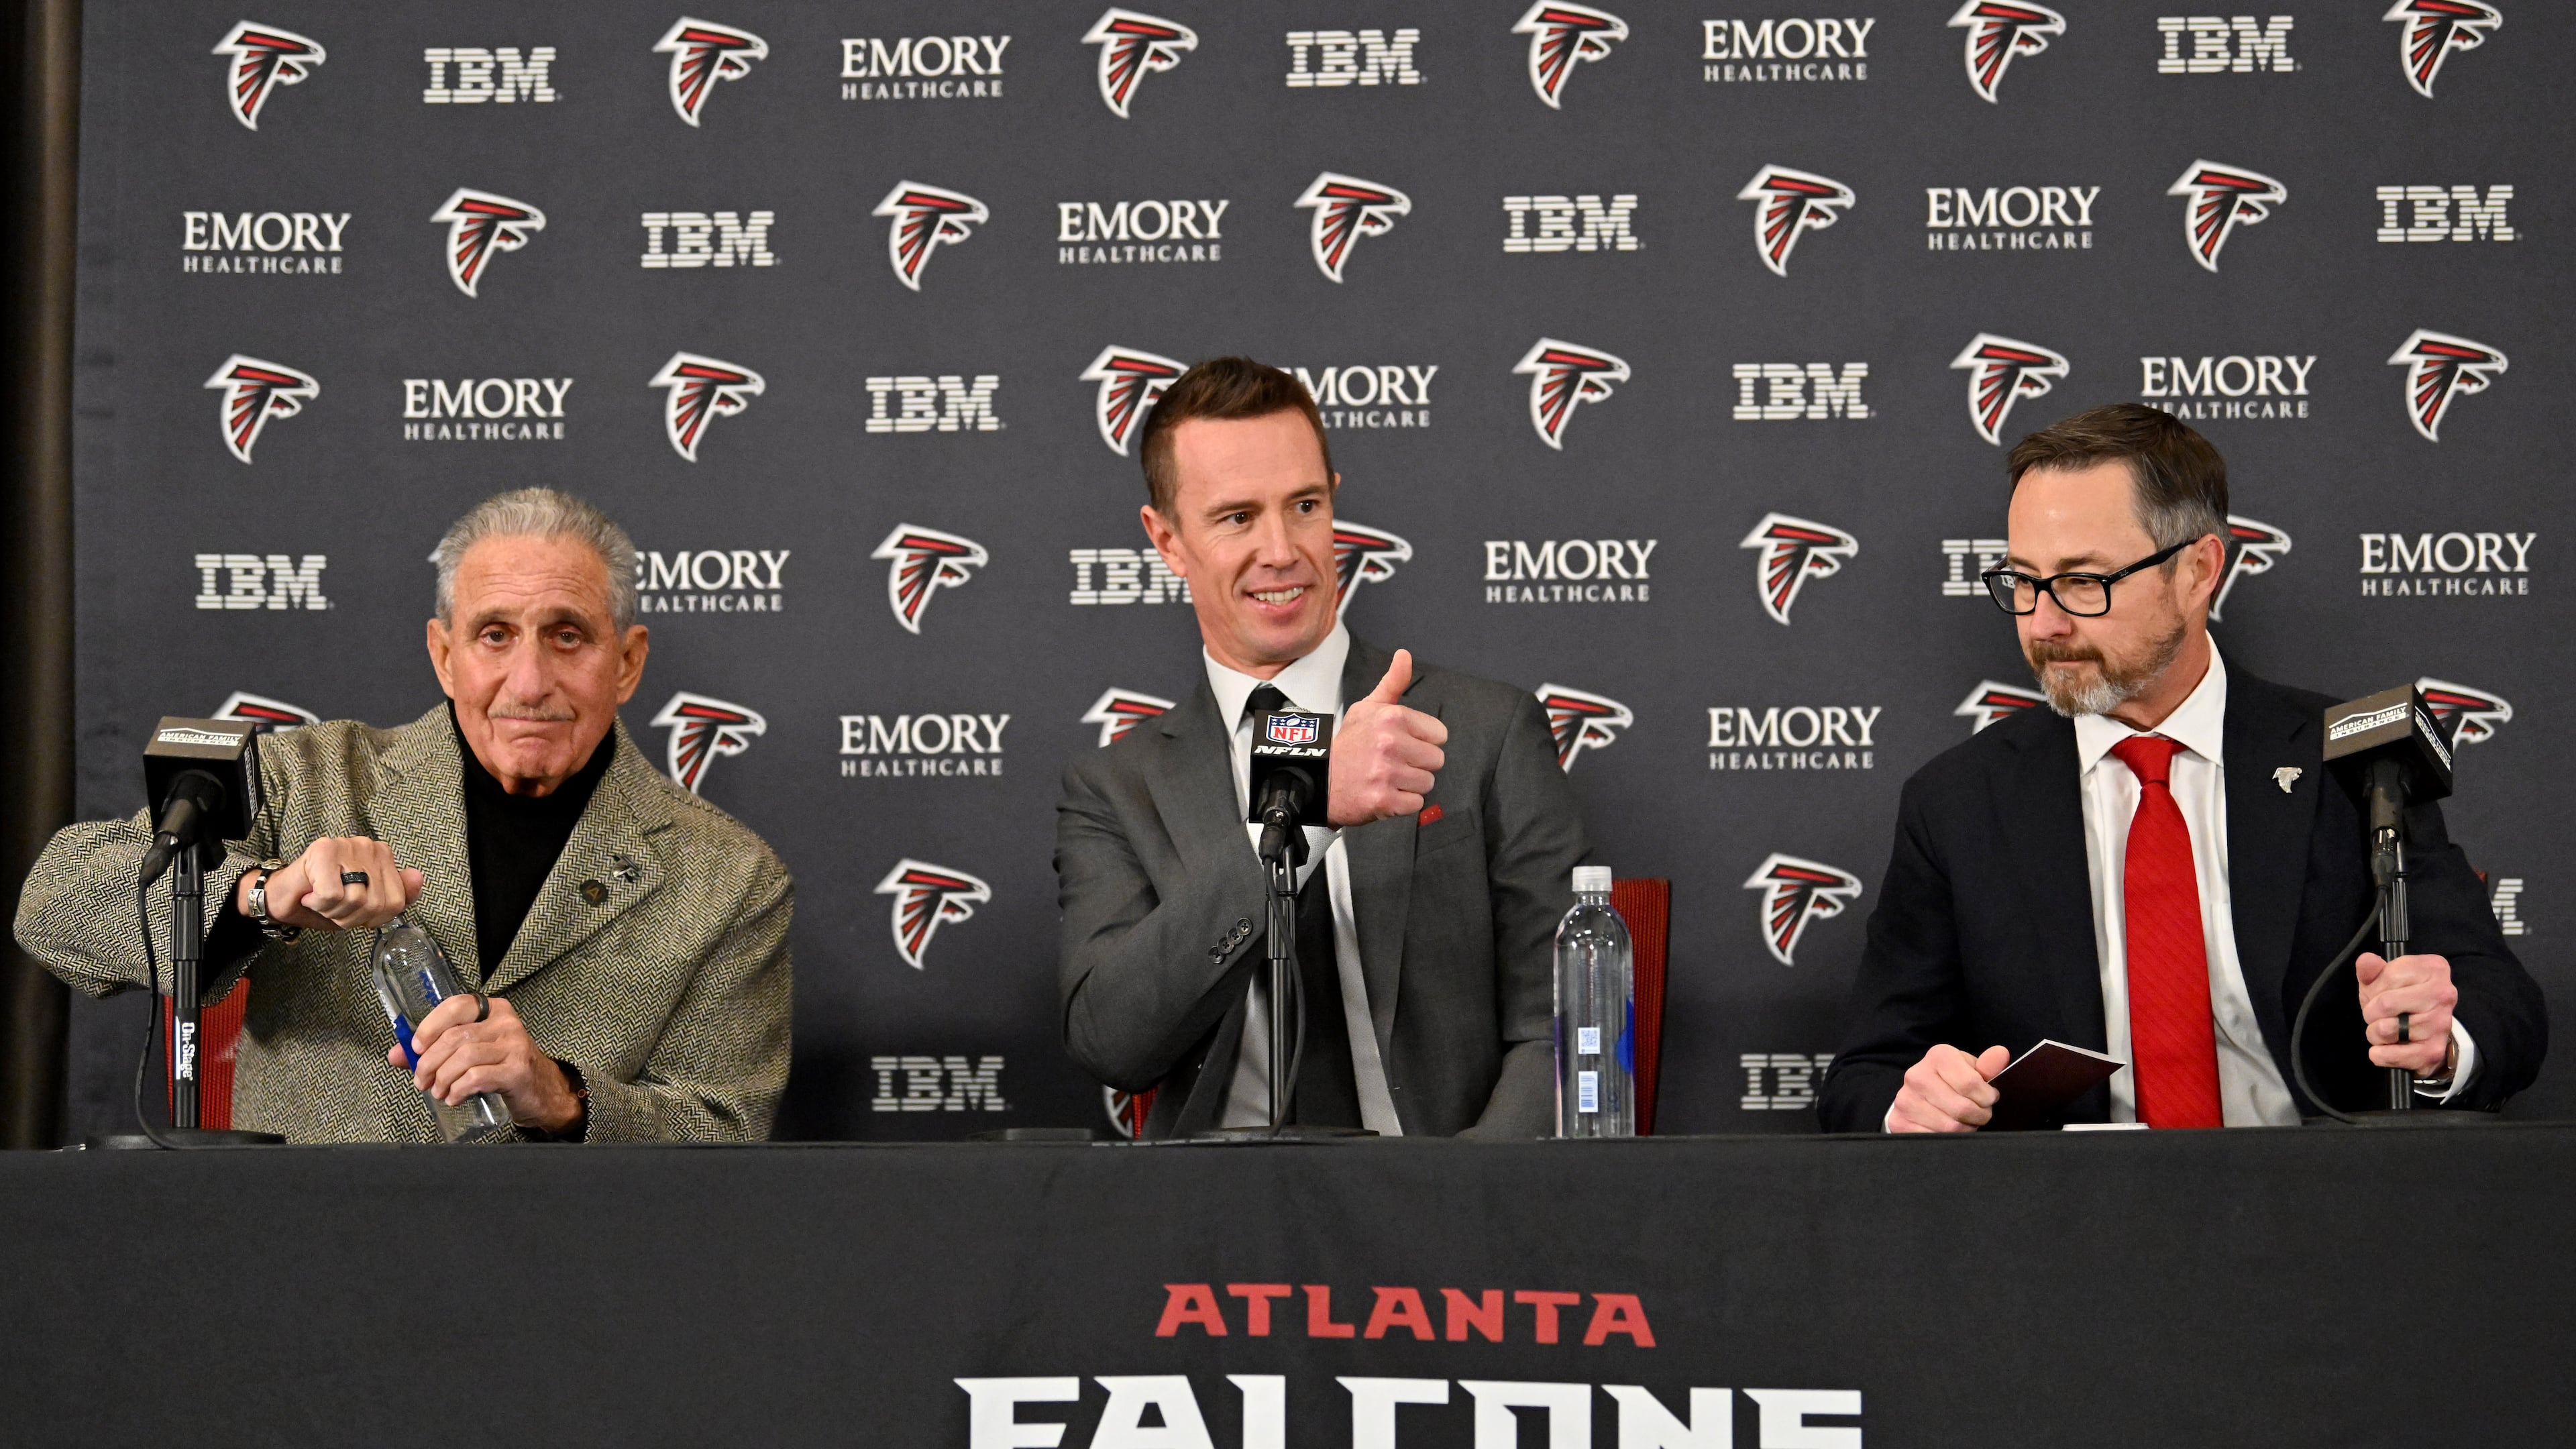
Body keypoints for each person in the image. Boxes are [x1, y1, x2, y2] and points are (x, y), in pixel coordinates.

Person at [1819, 405, 2544, 1132]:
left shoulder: (2349, 758)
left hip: (2325, 1208)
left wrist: (2445, 1042)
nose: (2043, 624)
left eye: (2083, 582)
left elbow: (2501, 1005)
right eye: (2023, 581)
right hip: (2069, 1223)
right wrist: (1909, 1104)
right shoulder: (1958, 804)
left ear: (2198, 571)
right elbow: (1865, 1075)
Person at [15, 488, 792, 1142]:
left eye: (567, 636)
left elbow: (724, 1131)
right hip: (314, 1271)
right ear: (444, 654)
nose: (529, 681)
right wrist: (265, 895)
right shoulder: (306, 778)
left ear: (626, 662)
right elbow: (54, 909)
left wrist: (561, 1099)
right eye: (495, 635)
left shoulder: (729, 877)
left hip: (569, 1287)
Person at [1055, 358, 1592, 1138]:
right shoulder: (1116, 788)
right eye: (1237, 517)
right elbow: (1111, 1038)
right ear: (1167, 541)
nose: (1282, 549)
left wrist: (1467, 1197)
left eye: (1304, 505)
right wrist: (1306, 802)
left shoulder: (1487, 731)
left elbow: (1563, 1025)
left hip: (1447, 1212)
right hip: (1217, 1222)